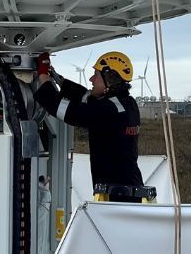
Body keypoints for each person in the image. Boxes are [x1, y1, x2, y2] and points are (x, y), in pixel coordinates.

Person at [34, 51, 143, 195]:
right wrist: (57, 78)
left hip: (117, 196)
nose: (91, 79)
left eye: (96, 75)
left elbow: (67, 111)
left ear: (109, 78)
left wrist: (43, 77)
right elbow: (87, 97)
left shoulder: (109, 110)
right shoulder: (127, 104)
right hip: (128, 191)